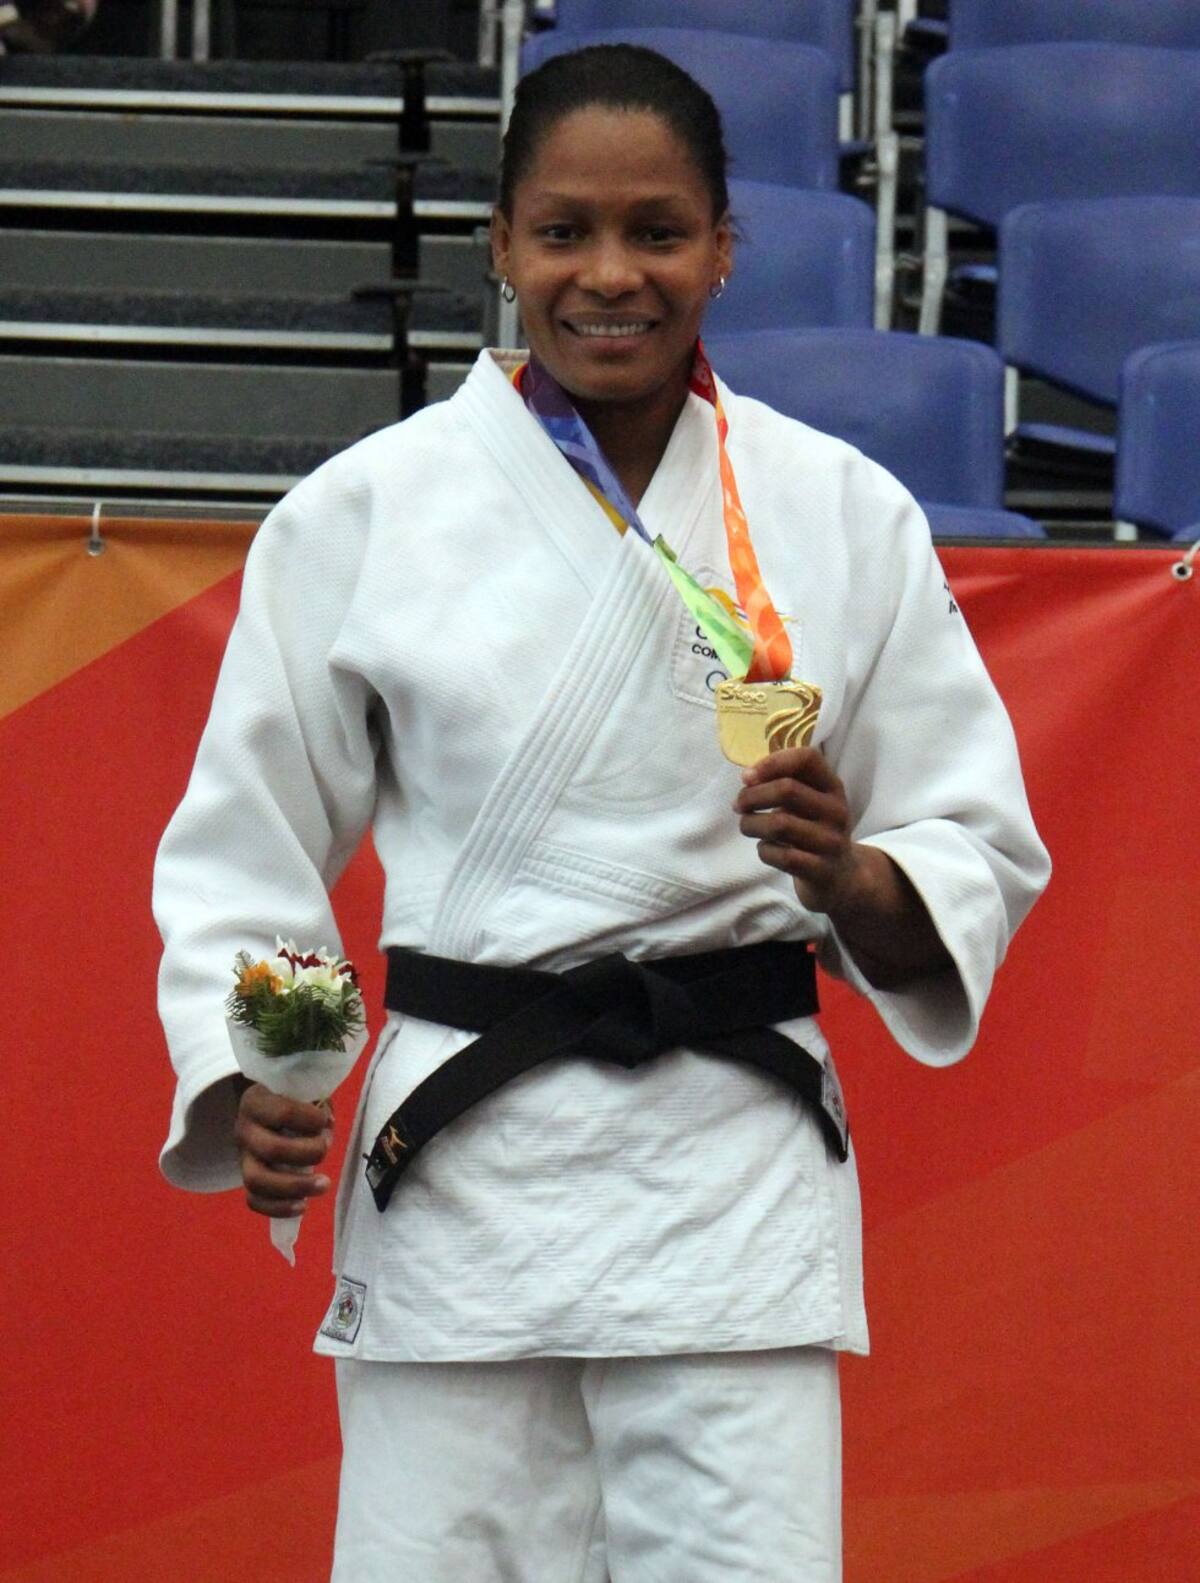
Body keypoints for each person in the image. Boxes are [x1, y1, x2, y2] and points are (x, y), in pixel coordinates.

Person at [154, 43, 1049, 1582]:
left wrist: (850, 876)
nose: (610, 276)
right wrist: (256, 1079)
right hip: (463, 1169)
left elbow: (971, 842)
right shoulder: (366, 510)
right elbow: (250, 842)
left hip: (729, 1173)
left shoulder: (842, 507)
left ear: (722, 247)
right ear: (499, 242)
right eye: (564, 231)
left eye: (657, 232)